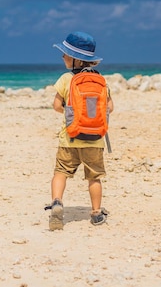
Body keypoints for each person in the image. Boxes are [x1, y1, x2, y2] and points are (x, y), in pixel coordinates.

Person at [47, 31, 114, 230]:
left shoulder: (66, 79)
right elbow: (109, 107)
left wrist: (70, 114)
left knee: (61, 172)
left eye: (65, 54)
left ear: (75, 60)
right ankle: (95, 213)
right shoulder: (100, 80)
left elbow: (56, 105)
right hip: (95, 140)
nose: (62, 57)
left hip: (70, 137)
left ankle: (57, 202)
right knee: (94, 177)